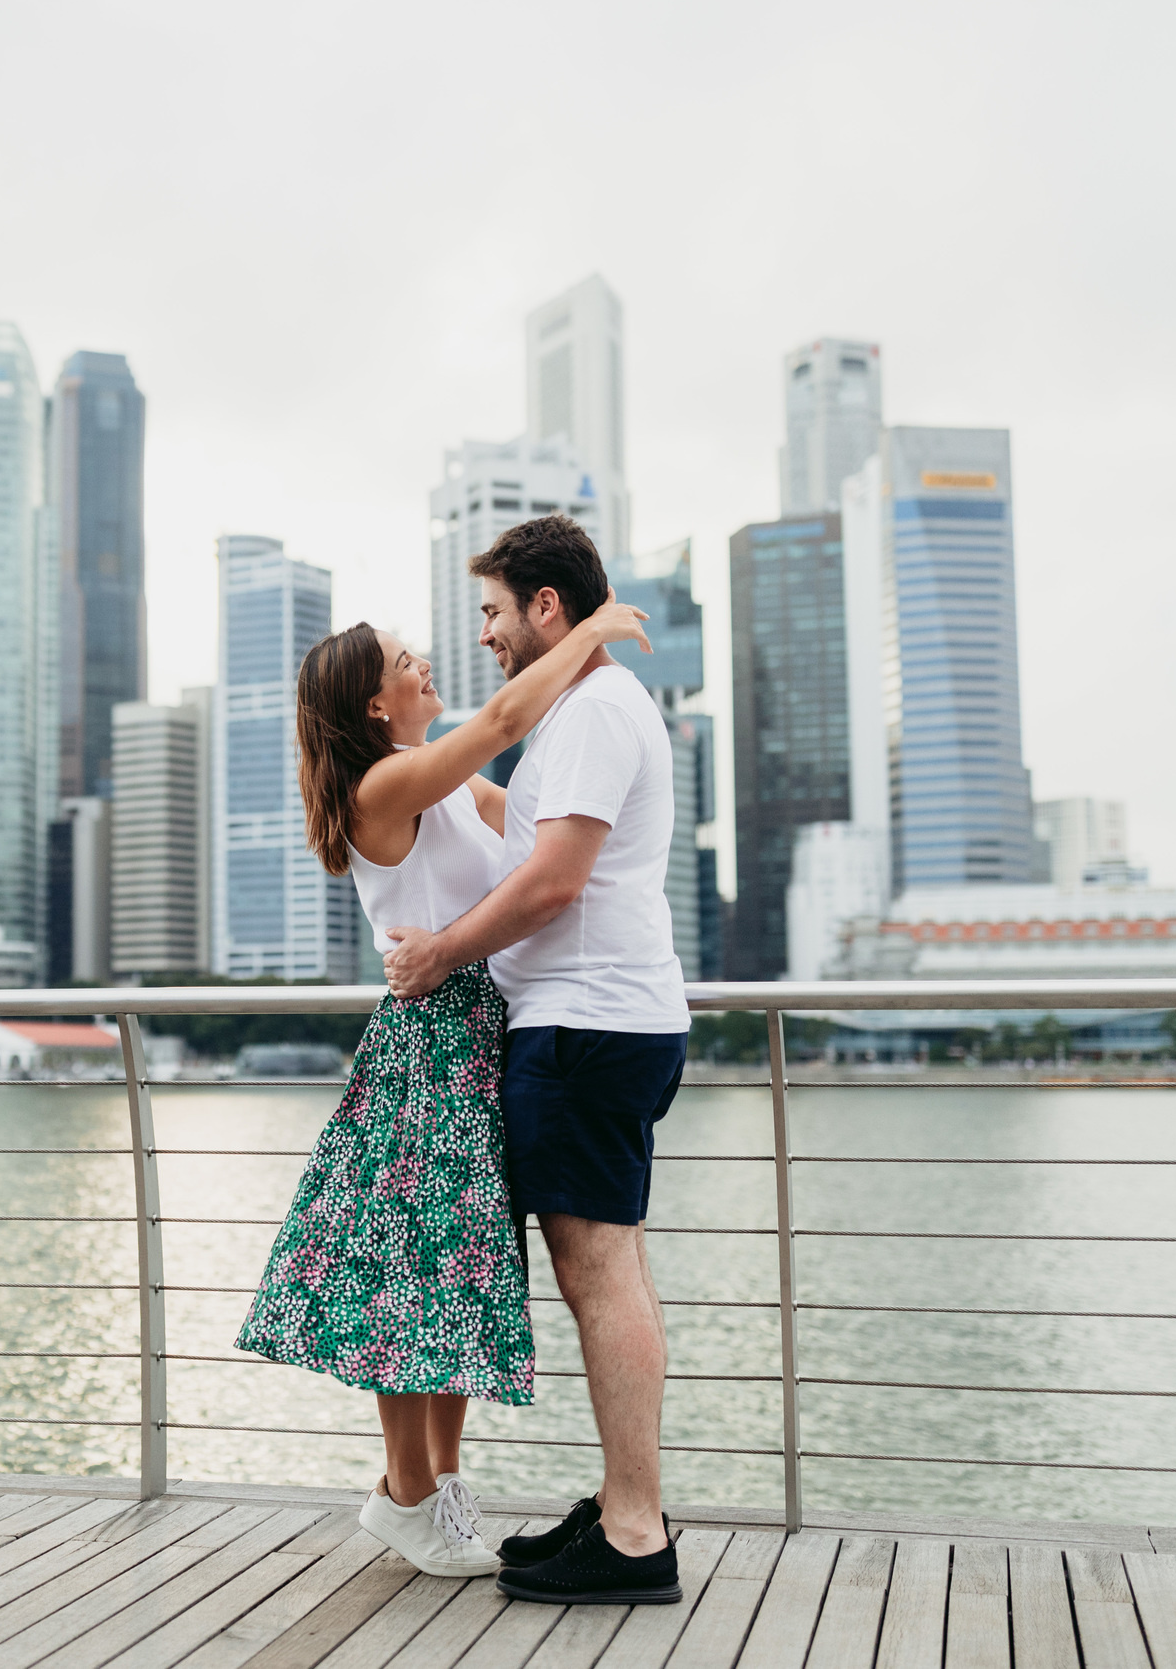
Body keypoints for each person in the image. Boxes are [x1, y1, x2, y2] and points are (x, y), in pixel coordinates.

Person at [234, 591, 652, 1579]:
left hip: (482, 1036)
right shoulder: (385, 788)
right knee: (412, 1278)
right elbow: (505, 723)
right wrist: (589, 632)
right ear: (376, 705)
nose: (427, 666)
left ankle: (435, 1491)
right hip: (428, 1048)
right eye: (407, 660)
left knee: (459, 1274)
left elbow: (547, 843)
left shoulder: (451, 791)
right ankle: (407, 1493)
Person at [382, 514, 691, 1606]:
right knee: (601, 1268)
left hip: (585, 1025)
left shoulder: (595, 711)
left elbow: (555, 881)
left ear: (545, 610)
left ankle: (635, 1530)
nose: (485, 635)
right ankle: (622, 1505)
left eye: (495, 612)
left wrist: (438, 954)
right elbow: (527, 840)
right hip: (591, 1021)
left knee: (598, 1272)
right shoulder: (573, 715)